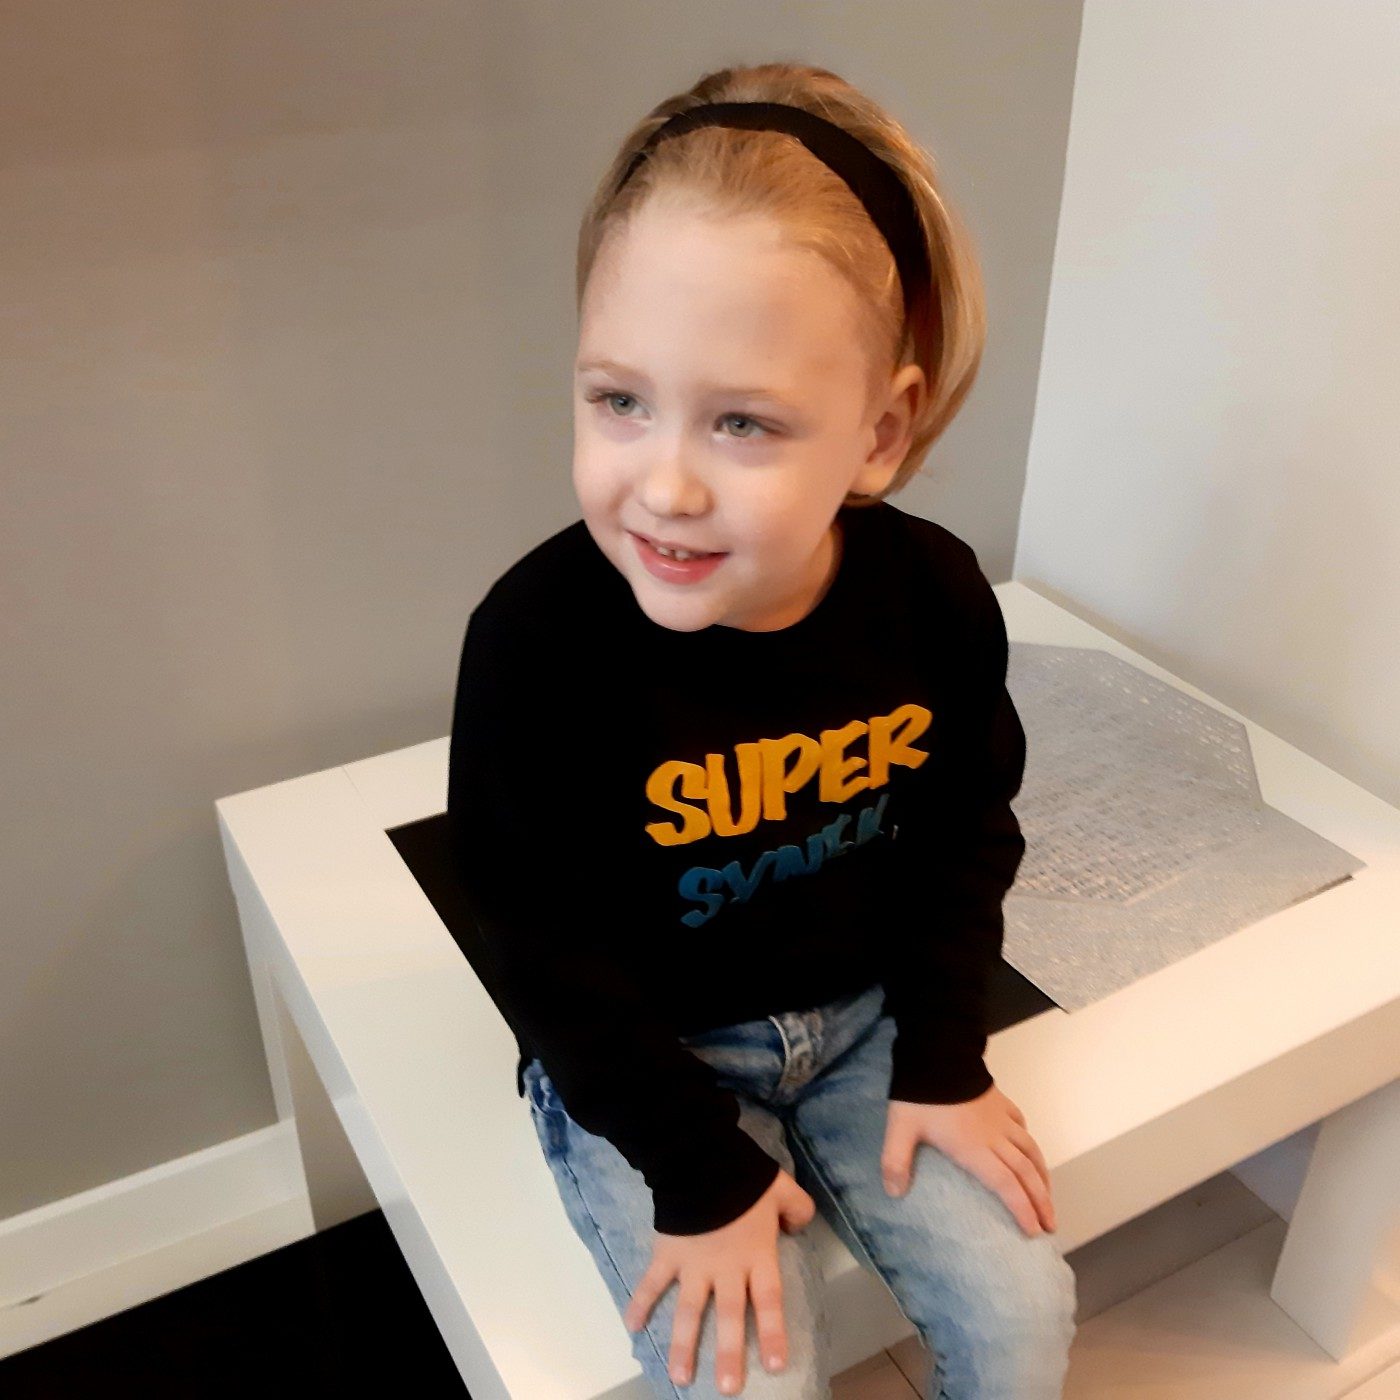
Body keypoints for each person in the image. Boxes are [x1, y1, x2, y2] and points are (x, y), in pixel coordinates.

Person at [446, 60, 1078, 1399]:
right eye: (619, 400)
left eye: (741, 421)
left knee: (1020, 1321)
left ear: (880, 432)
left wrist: (946, 1059)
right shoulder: (533, 645)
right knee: (754, 1378)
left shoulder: (934, 598)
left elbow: (963, 836)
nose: (665, 484)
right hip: (647, 1057)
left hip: (866, 1025)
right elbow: (537, 945)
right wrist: (697, 1172)